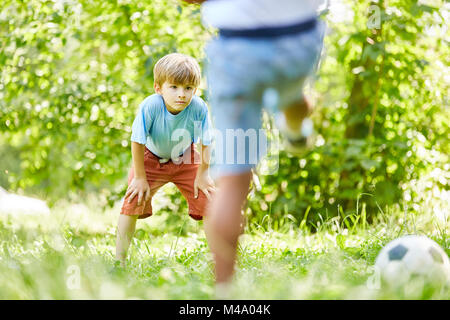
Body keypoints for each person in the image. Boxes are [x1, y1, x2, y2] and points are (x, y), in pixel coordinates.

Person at [197, 0, 326, 293]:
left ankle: (223, 294)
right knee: (290, 94)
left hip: (237, 48)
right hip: (298, 41)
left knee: (232, 180)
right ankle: (292, 123)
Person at [115, 53, 215, 268]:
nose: (182, 94)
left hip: (185, 156)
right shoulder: (150, 106)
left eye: (188, 88)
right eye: (175, 87)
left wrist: (204, 173)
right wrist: (140, 177)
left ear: (195, 90)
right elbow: (137, 141)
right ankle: (119, 261)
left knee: (209, 200)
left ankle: (220, 259)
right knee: (133, 200)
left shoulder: (198, 107)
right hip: (150, 158)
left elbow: (207, 141)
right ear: (158, 88)